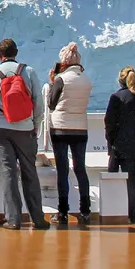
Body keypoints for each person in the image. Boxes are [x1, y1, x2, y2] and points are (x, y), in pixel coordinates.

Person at [0, 38, 49, 231]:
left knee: (8, 174)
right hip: (25, 129)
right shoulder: (29, 72)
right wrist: (35, 125)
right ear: (16, 52)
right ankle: (38, 219)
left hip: (1, 131)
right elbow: (39, 103)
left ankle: (13, 220)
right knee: (29, 173)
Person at [47, 43, 93, 226]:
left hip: (60, 128)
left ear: (64, 62)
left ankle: (63, 211)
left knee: (63, 170)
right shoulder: (86, 80)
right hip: (80, 128)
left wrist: (52, 82)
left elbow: (51, 103)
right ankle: (85, 210)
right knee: (80, 168)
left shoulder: (61, 80)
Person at [104, 67, 135, 224]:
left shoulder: (117, 97)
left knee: (131, 181)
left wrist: (111, 143)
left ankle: (133, 215)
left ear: (120, 80)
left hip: (124, 146)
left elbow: (110, 122)